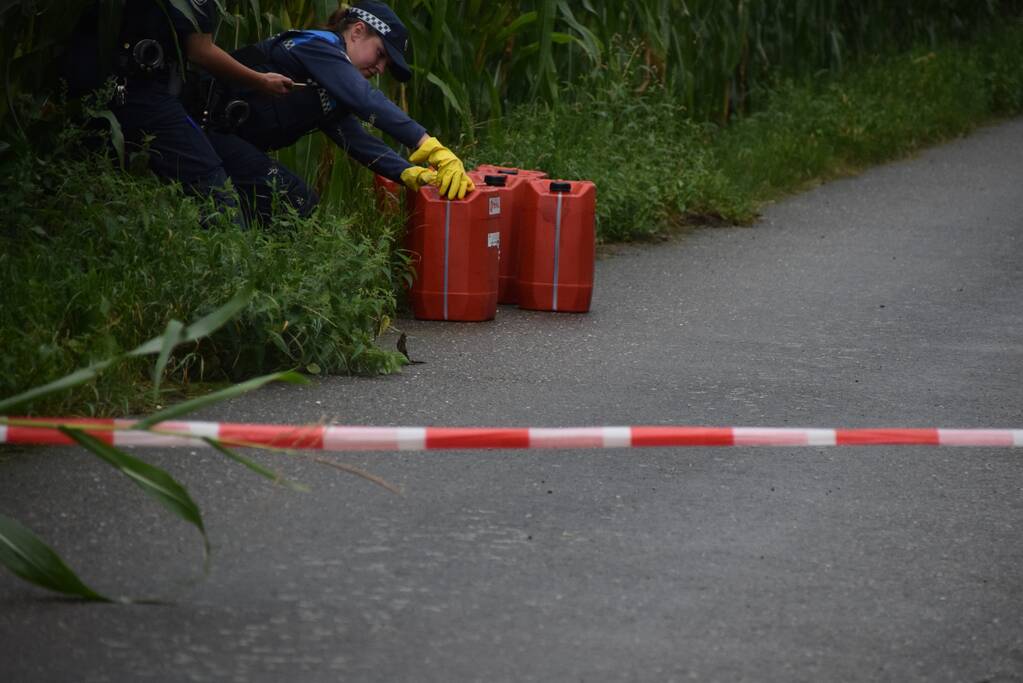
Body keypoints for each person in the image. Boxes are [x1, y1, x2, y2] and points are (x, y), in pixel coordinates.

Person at [197, 0, 473, 225]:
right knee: (292, 200)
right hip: (201, 128)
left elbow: (359, 142)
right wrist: (429, 145)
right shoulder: (319, 46)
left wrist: (412, 173)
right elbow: (365, 99)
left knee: (287, 205)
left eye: (386, 64)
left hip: (227, 142)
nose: (379, 69)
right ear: (357, 31)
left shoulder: (333, 93)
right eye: (380, 55)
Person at [64, 0, 294, 221]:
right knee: (216, 193)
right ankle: (225, 252)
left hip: (87, 78)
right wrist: (261, 81)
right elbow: (201, 51)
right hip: (139, 91)